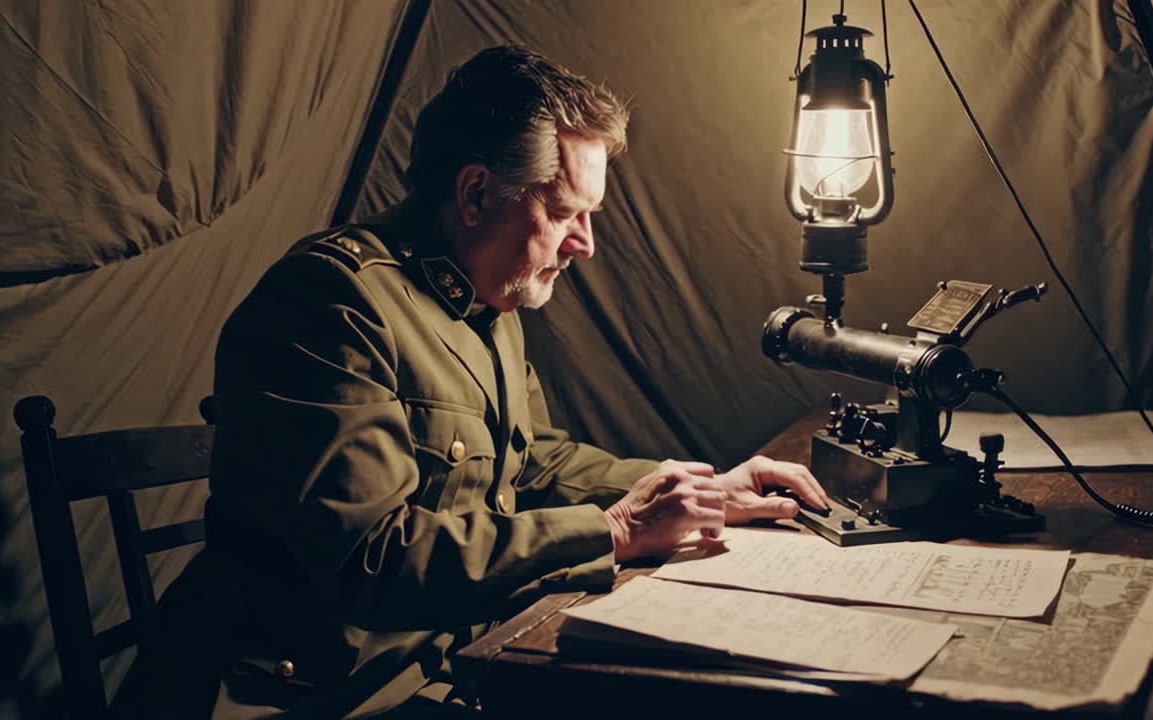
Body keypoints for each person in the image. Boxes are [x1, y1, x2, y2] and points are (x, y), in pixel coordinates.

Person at [114, 45, 827, 719]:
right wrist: (615, 528)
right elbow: (373, 560)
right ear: (477, 191)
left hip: (448, 665)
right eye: (565, 213)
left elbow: (536, 459)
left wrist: (704, 491)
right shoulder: (328, 302)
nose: (585, 243)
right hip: (318, 696)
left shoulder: (490, 298)